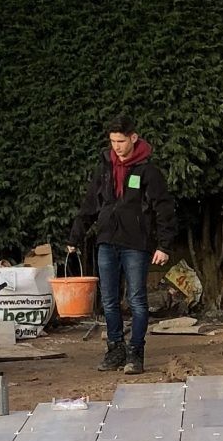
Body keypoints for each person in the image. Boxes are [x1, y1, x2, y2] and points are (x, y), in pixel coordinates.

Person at [67, 119, 178, 374]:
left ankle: (136, 352)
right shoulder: (104, 169)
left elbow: (164, 208)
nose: (116, 146)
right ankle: (114, 349)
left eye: (121, 141)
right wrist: (75, 237)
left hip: (136, 244)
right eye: (113, 141)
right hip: (106, 241)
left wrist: (164, 245)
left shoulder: (148, 171)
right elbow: (90, 204)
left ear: (133, 138)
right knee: (108, 300)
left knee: (137, 300)